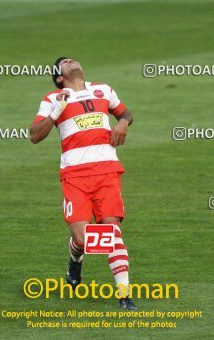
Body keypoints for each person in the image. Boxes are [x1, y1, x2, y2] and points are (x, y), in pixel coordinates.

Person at [30, 57, 136, 310]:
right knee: (83, 237)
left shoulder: (104, 90)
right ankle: (75, 258)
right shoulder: (52, 99)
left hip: (107, 170)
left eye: (71, 59)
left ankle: (125, 296)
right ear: (59, 77)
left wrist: (122, 122)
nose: (69, 60)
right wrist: (56, 111)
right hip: (75, 176)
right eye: (63, 63)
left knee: (111, 231)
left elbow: (126, 114)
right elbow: (35, 135)